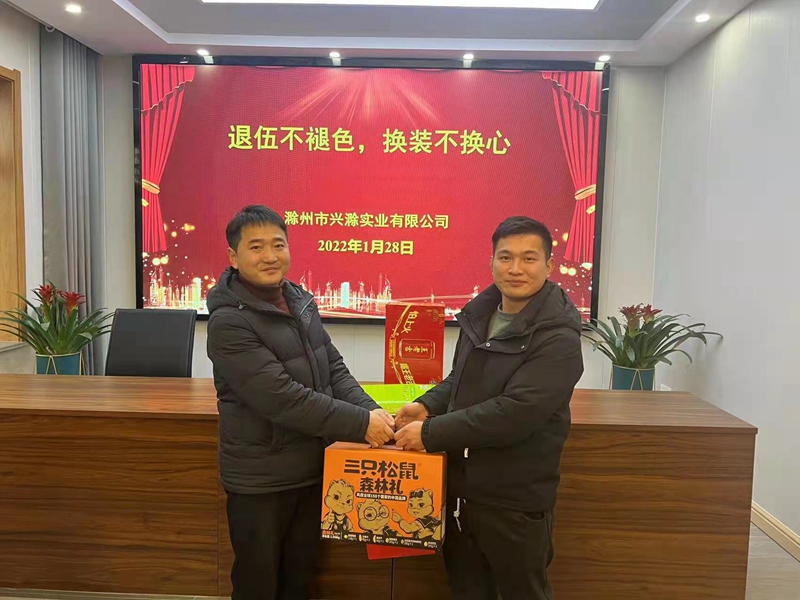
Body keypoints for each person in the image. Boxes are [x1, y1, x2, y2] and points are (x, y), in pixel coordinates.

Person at [206, 205, 395, 600]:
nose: (270, 256)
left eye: (278, 245)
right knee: (259, 585)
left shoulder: (299, 301)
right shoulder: (228, 322)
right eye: (256, 247)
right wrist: (362, 425)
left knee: (301, 580)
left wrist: (374, 413)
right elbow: (283, 399)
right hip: (261, 481)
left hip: (310, 471)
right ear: (233, 257)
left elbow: (334, 370)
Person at [394, 216, 584, 600]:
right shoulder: (479, 315)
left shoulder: (559, 336)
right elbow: (460, 379)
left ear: (549, 265)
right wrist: (427, 405)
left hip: (514, 501)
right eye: (506, 257)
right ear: (492, 261)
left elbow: (516, 413)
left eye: (529, 258)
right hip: (462, 492)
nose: (516, 268)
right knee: (467, 590)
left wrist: (430, 433)